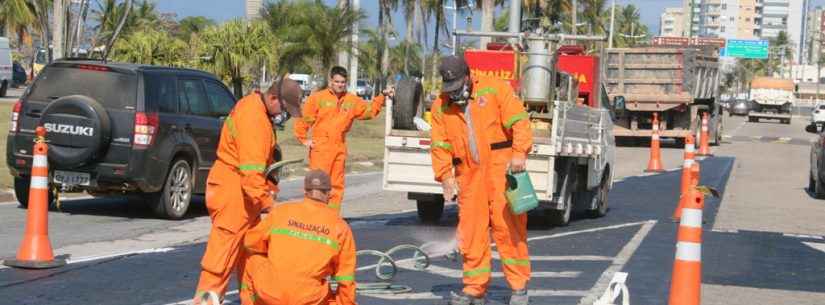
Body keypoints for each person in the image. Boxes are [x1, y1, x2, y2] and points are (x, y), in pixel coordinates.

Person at [429, 56, 533, 305]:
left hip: (500, 170)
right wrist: (445, 176)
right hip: (469, 176)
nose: (453, 94)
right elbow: (440, 145)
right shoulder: (441, 106)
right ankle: (474, 288)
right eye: (449, 89)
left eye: (457, 88)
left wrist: (519, 153)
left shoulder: (494, 89)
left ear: (468, 76)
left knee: (508, 229)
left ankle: (519, 288)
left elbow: (519, 122)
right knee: (471, 234)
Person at [193, 77, 303, 305]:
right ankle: (205, 301)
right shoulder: (254, 120)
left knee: (252, 254)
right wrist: (271, 208)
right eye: (285, 110)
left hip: (240, 193)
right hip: (234, 194)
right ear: (273, 98)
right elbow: (252, 177)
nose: (286, 116)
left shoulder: (255, 107)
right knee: (220, 259)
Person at [239, 170, 357, 305]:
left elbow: (250, 242)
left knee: (253, 259)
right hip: (308, 299)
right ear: (329, 194)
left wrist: (274, 250)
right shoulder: (339, 226)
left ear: (305, 190)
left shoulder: (282, 211)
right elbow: (346, 277)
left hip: (271, 294)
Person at [294, 66, 394, 212]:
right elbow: (305, 118)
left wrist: (382, 97)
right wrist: (304, 139)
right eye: (337, 81)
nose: (340, 85)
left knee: (336, 186)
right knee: (317, 184)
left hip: (339, 147)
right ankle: (313, 216)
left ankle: (332, 217)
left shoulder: (351, 100)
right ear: (331, 81)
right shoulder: (318, 98)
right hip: (321, 148)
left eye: (343, 82)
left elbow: (369, 111)